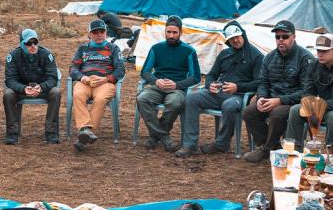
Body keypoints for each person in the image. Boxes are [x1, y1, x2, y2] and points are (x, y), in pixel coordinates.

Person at [174, 21, 263, 157]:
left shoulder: (256, 56)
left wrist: (237, 87)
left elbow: (259, 82)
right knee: (191, 98)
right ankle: (190, 145)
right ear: (227, 40)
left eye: (237, 36)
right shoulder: (224, 54)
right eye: (231, 38)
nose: (235, 40)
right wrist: (210, 85)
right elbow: (211, 74)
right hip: (218, 93)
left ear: (243, 35)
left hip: (239, 96)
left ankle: (221, 144)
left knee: (229, 106)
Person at [242, 20, 313, 163]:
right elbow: (263, 82)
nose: (281, 40)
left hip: (293, 102)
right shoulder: (269, 57)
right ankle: (269, 146)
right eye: (277, 37)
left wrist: (280, 100)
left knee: (277, 114)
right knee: (249, 112)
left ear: (294, 37)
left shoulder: (305, 58)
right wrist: (261, 97)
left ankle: (267, 149)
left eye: (285, 36)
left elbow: (306, 91)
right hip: (272, 98)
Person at [283, 33, 333, 149]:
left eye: (324, 51)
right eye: (318, 50)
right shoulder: (314, 65)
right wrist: (310, 103)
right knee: (295, 110)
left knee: (332, 116)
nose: (319, 54)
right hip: (321, 106)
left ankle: (330, 152)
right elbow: (307, 91)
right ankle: (293, 149)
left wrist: (317, 105)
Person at [137, 15, 201, 152]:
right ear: (165, 31)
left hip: (176, 88)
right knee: (142, 98)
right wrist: (155, 80)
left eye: (174, 32)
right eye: (169, 32)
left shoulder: (189, 51)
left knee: (175, 103)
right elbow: (145, 72)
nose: (171, 35)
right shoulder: (156, 48)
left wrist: (177, 85)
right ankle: (164, 137)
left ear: (181, 32)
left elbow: (195, 77)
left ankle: (155, 136)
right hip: (157, 86)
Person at [70, 19, 125, 151]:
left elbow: (120, 70)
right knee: (77, 94)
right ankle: (86, 130)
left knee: (100, 99)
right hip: (86, 81)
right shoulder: (83, 49)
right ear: (90, 34)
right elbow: (73, 68)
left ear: (106, 32)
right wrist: (82, 77)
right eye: (95, 32)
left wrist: (105, 79)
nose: (99, 34)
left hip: (105, 82)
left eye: (102, 31)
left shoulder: (113, 48)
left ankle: (85, 134)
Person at [3, 28, 61, 145]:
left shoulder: (46, 54)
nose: (33, 46)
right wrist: (23, 88)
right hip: (21, 89)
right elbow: (10, 80)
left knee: (56, 92)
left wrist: (42, 87)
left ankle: (51, 132)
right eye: (28, 43)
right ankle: (12, 133)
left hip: (42, 89)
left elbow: (53, 77)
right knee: (8, 94)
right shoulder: (13, 56)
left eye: (35, 42)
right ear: (21, 44)